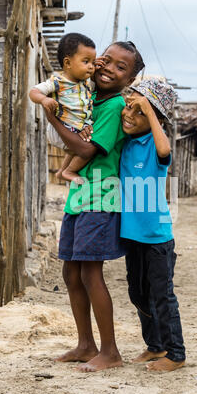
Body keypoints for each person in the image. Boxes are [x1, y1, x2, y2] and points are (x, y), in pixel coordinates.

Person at [44, 41, 145, 372]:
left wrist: (53, 117)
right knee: (70, 271)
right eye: (107, 61)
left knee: (90, 271)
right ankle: (85, 344)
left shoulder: (115, 106)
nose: (110, 70)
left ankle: (110, 351)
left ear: (130, 79)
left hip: (100, 198)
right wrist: (89, 69)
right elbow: (69, 80)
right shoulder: (90, 97)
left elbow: (86, 151)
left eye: (121, 68)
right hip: (80, 198)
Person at [120, 79, 186, 372]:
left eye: (138, 113)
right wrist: (138, 105)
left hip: (157, 237)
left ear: (153, 119)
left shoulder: (153, 146)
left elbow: (164, 148)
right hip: (132, 234)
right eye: (128, 109)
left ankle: (176, 353)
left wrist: (148, 106)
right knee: (138, 293)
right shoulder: (126, 143)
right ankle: (155, 346)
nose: (128, 115)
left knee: (162, 296)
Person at [29, 32, 102, 183]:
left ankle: (62, 171)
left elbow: (98, 82)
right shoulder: (58, 82)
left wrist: (97, 67)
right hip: (61, 128)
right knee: (87, 149)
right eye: (86, 61)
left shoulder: (86, 83)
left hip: (76, 128)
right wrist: (43, 99)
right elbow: (33, 92)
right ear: (67, 63)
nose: (91, 67)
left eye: (93, 62)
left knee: (77, 147)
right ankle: (69, 171)